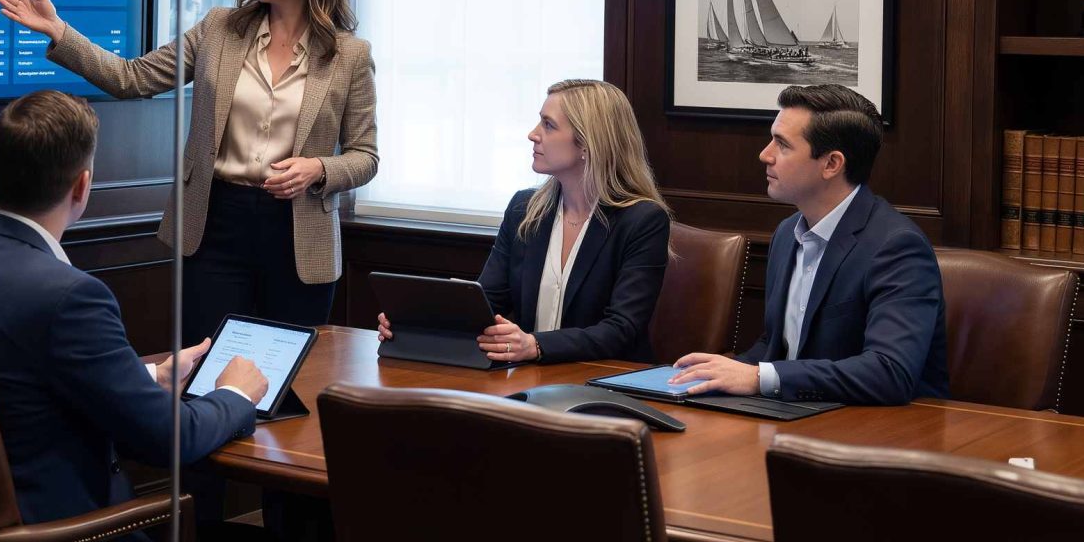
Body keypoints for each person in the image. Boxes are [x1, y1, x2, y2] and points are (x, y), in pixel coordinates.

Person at [0, 90, 282, 542]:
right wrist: (236, 393)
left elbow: (21, 389)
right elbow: (169, 441)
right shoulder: (70, 295)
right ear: (83, 186)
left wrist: (150, 376)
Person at [0, 0, 378, 345]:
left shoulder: (349, 56)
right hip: (217, 222)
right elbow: (131, 77)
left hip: (299, 231)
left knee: (287, 374)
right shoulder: (219, 28)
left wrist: (319, 170)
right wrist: (59, 30)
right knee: (205, 364)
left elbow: (365, 156)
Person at [669, 84, 949, 405]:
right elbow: (780, 346)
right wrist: (723, 371)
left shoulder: (897, 247)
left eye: (783, 145)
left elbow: (889, 372)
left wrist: (759, 377)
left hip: (882, 432)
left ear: (831, 164)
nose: (765, 154)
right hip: (799, 415)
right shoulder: (787, 234)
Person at [378, 79, 671, 364]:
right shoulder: (524, 209)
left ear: (587, 143)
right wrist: (417, 322)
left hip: (606, 381)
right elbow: (488, 302)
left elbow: (621, 329)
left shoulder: (642, 221)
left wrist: (535, 345)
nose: (533, 134)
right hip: (532, 380)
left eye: (548, 125)